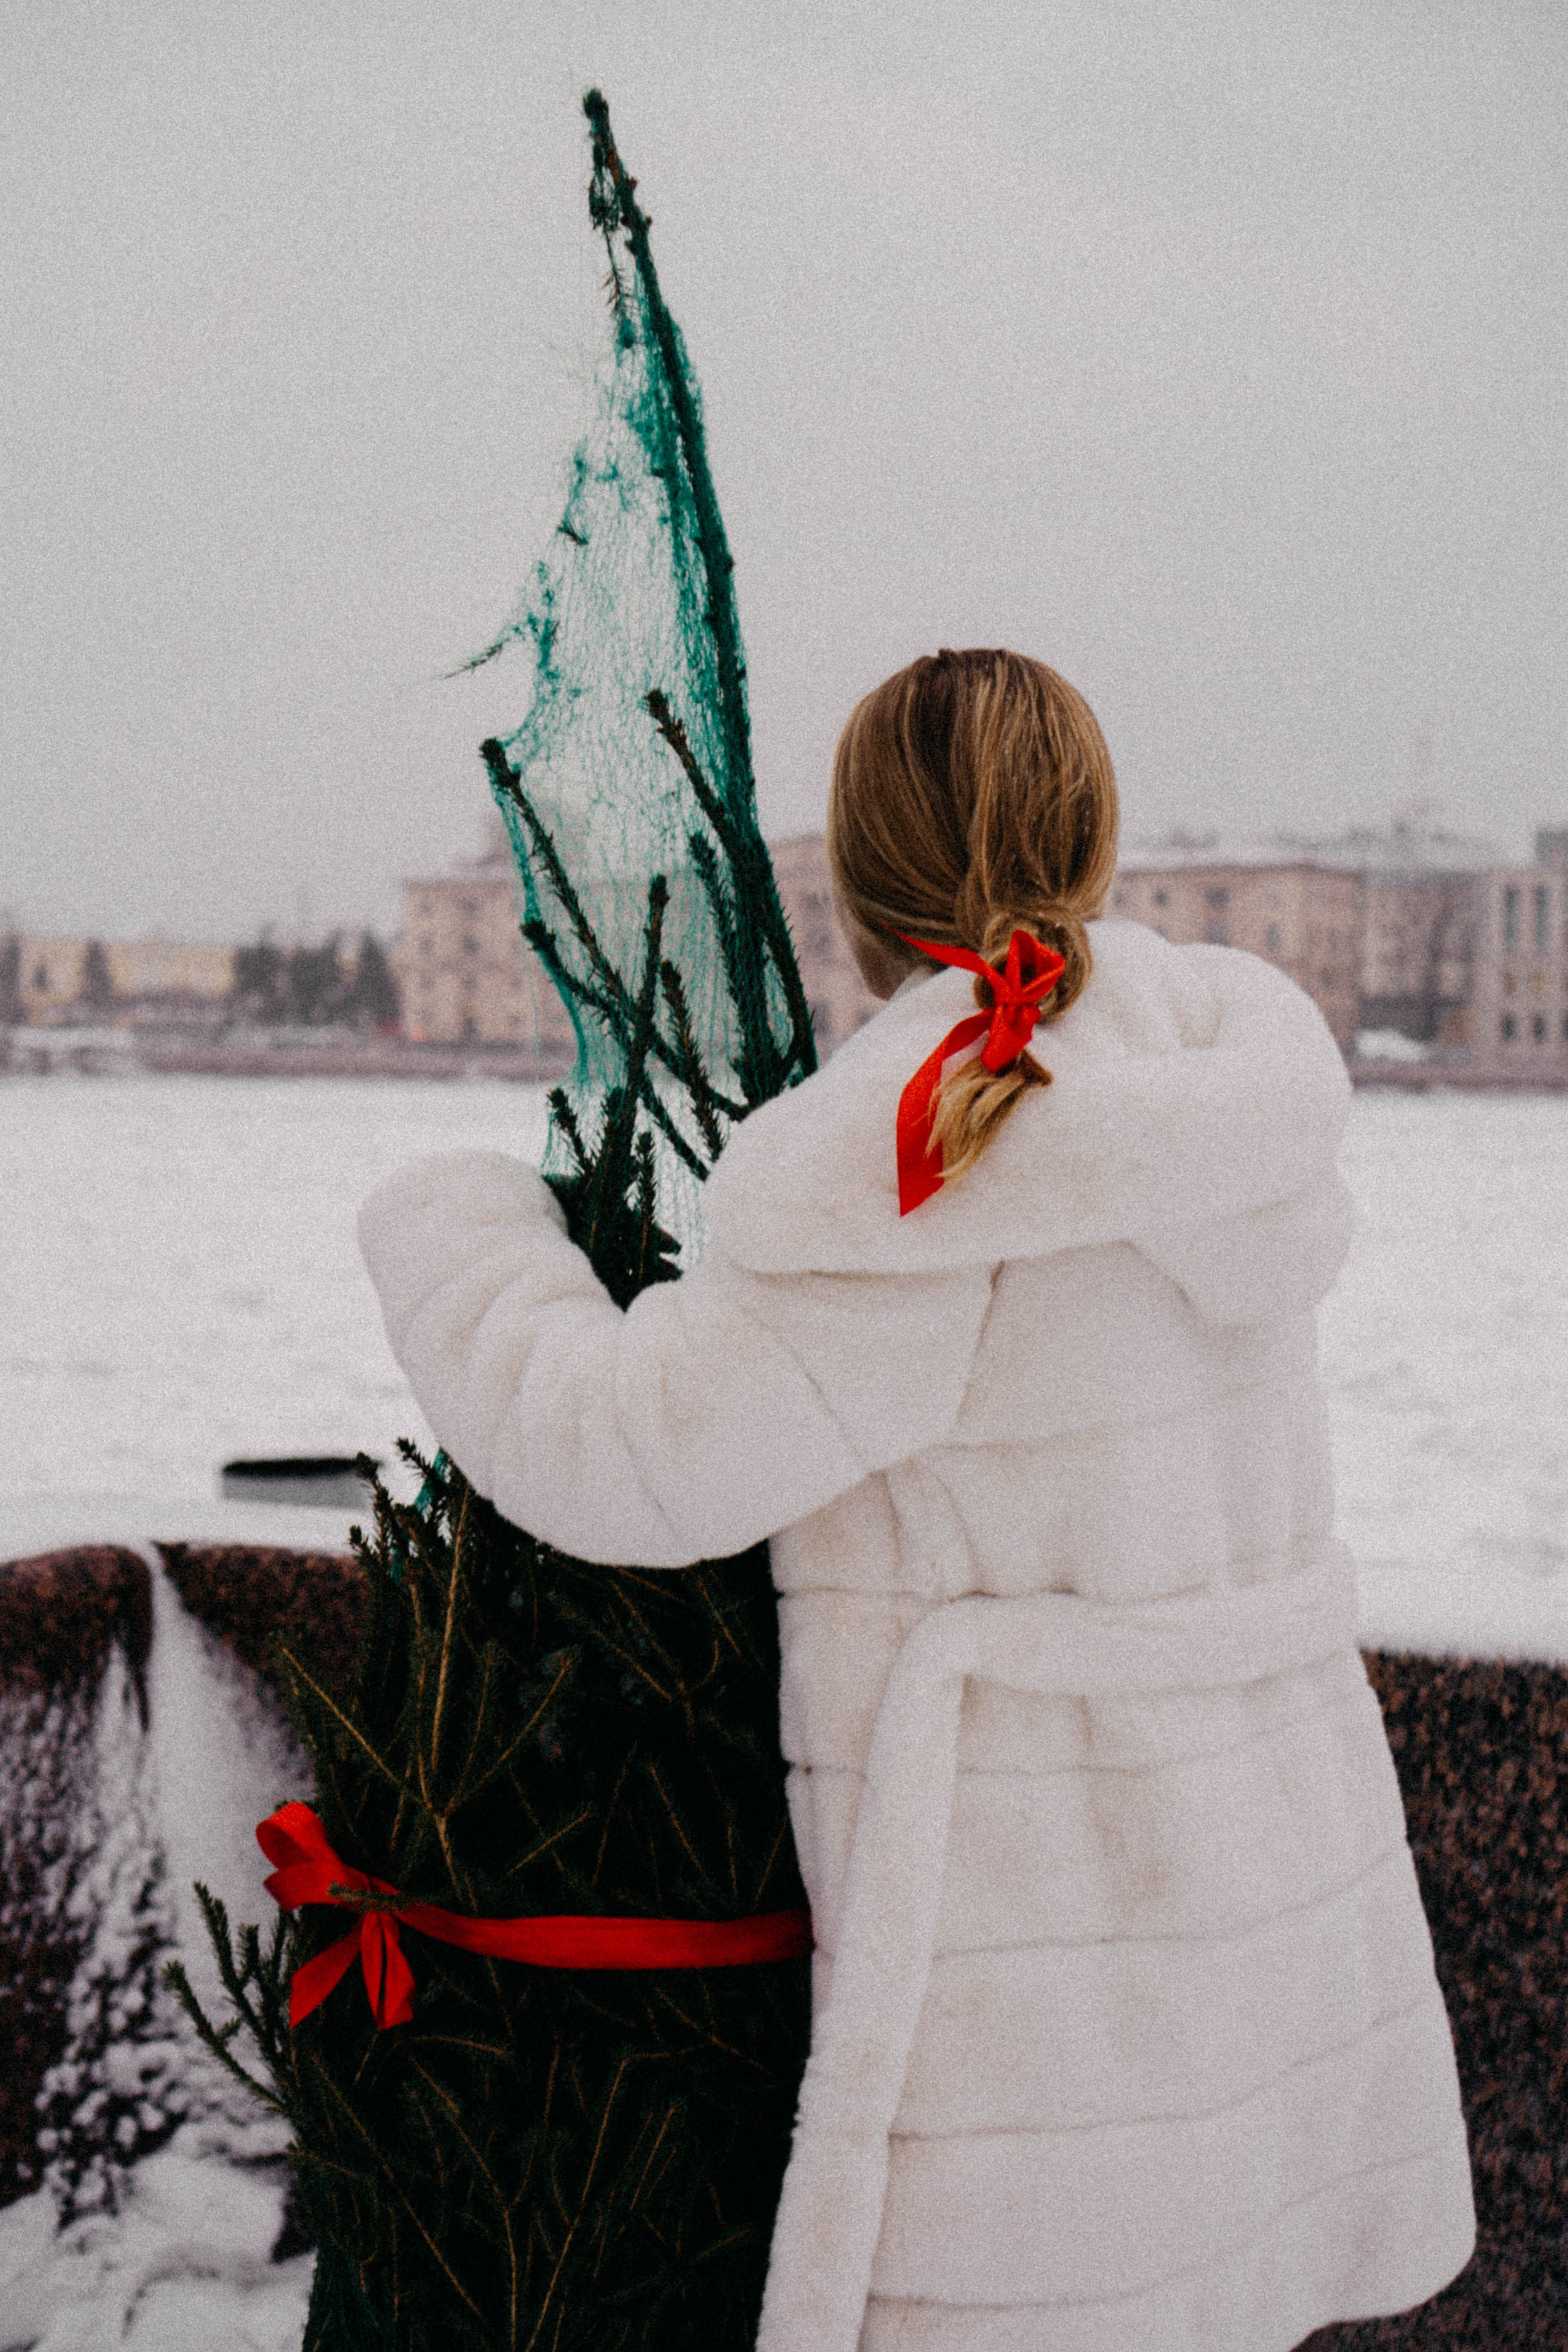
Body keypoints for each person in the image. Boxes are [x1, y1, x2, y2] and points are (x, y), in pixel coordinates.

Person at [358, 647, 1474, 2352]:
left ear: (857, 881)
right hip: (1266, 1929)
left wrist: (463, 1236)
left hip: (1036, 2006)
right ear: (1094, 840)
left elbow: (627, 1458)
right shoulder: (1221, 1099)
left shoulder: (916, 1154)